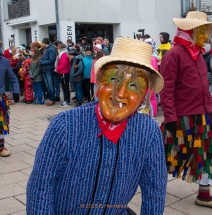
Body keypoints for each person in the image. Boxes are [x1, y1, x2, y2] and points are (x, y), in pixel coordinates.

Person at [27, 37, 167, 215]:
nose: (120, 93)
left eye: (133, 85)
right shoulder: (64, 125)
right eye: (114, 79)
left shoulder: (149, 133)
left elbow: (154, 191)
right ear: (100, 81)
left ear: (143, 96)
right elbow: (40, 188)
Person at [160, 11, 212, 208]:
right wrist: (171, 118)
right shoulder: (173, 55)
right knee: (168, 156)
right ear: (189, 32)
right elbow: (166, 88)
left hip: (204, 116)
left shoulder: (199, 55)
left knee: (205, 155)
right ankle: (153, 186)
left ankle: (204, 194)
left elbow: (202, 87)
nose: (206, 37)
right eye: (202, 32)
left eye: (207, 32)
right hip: (182, 118)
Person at [0, 37, 20, 157]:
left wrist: (16, 91)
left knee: (1, 122)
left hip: (0, 96)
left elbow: (13, 78)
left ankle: (1, 147)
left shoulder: (4, 61)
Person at [40, 38, 56, 106]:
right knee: (47, 86)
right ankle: (50, 99)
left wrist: (42, 62)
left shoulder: (51, 49)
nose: (42, 44)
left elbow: (51, 60)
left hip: (49, 69)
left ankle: (52, 99)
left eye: (42, 43)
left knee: (50, 85)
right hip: (45, 69)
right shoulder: (44, 49)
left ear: (44, 43)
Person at [55, 43, 71, 107]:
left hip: (64, 72)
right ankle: (66, 100)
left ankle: (67, 101)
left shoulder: (64, 54)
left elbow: (64, 64)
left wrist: (57, 69)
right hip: (62, 72)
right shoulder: (62, 54)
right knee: (64, 87)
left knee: (65, 87)